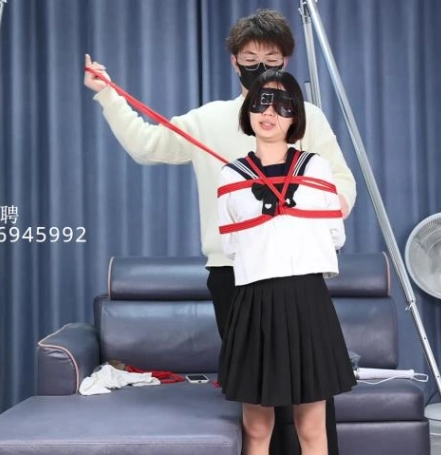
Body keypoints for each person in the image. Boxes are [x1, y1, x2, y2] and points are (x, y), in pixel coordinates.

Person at [84, 9, 356, 454]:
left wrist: (310, 217)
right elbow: (147, 145)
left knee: (311, 401)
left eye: (271, 59)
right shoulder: (209, 121)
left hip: (299, 276)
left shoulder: (305, 118)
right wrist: (109, 95)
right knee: (260, 401)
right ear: (234, 62)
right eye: (250, 59)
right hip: (236, 277)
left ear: (286, 62)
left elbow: (340, 184)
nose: (260, 68)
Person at [217, 68, 356, 455]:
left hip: (307, 299)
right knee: (256, 427)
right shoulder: (230, 175)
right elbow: (230, 244)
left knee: (311, 426)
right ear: (248, 110)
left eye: (283, 105)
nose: (270, 112)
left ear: (296, 117)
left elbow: (334, 235)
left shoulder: (317, 167)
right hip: (255, 302)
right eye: (262, 102)